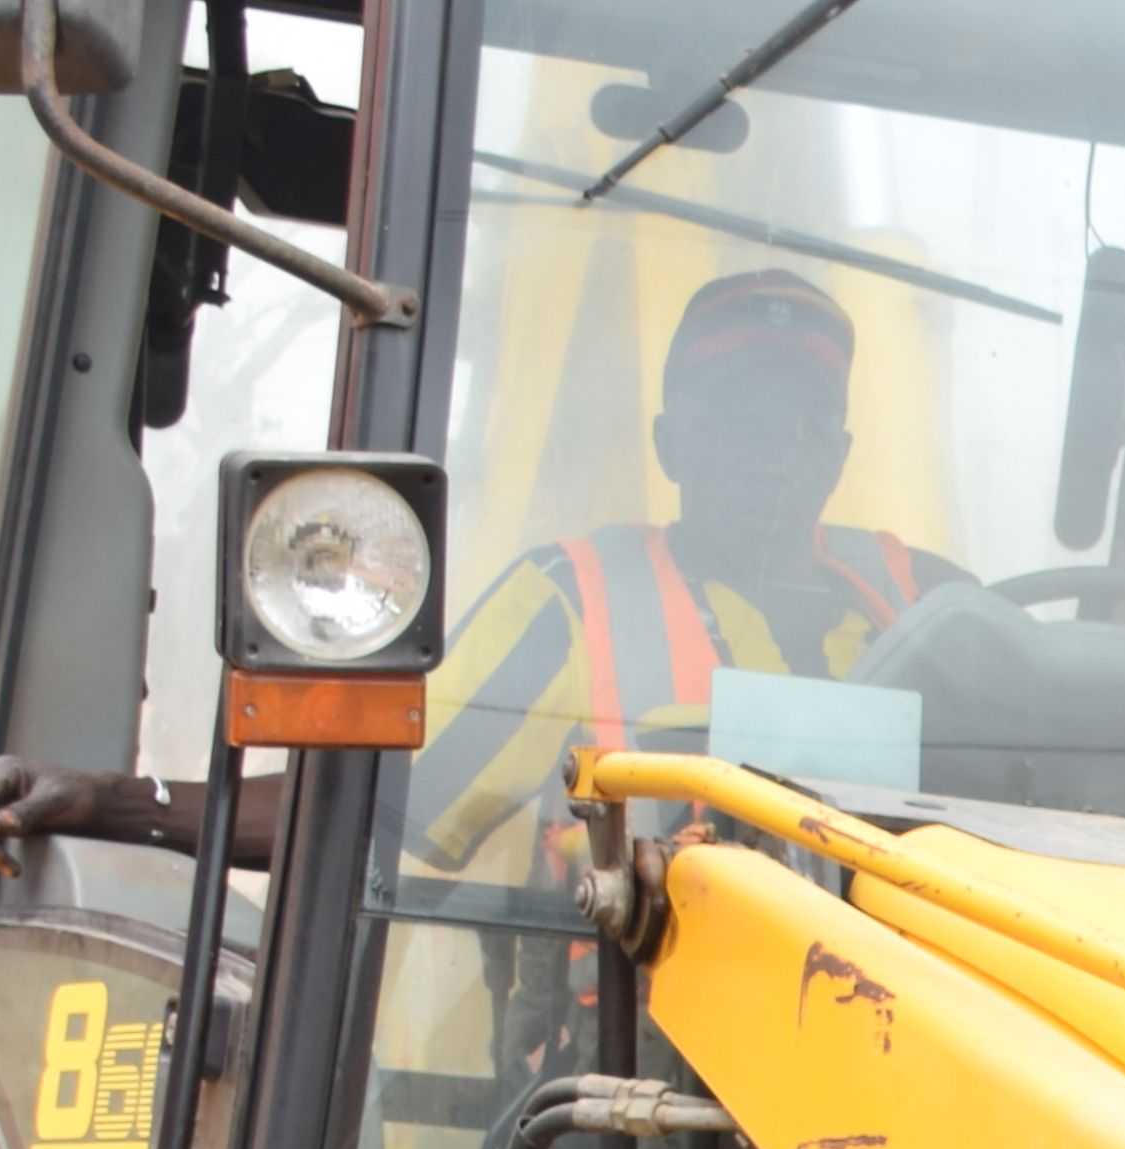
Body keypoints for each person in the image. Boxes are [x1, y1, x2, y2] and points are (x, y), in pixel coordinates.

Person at [410, 267, 970, 873]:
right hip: (640, 969)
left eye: (801, 425)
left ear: (838, 457)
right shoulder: (570, 597)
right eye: (736, 422)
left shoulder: (929, 603)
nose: (770, 457)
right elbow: (391, 810)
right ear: (669, 443)